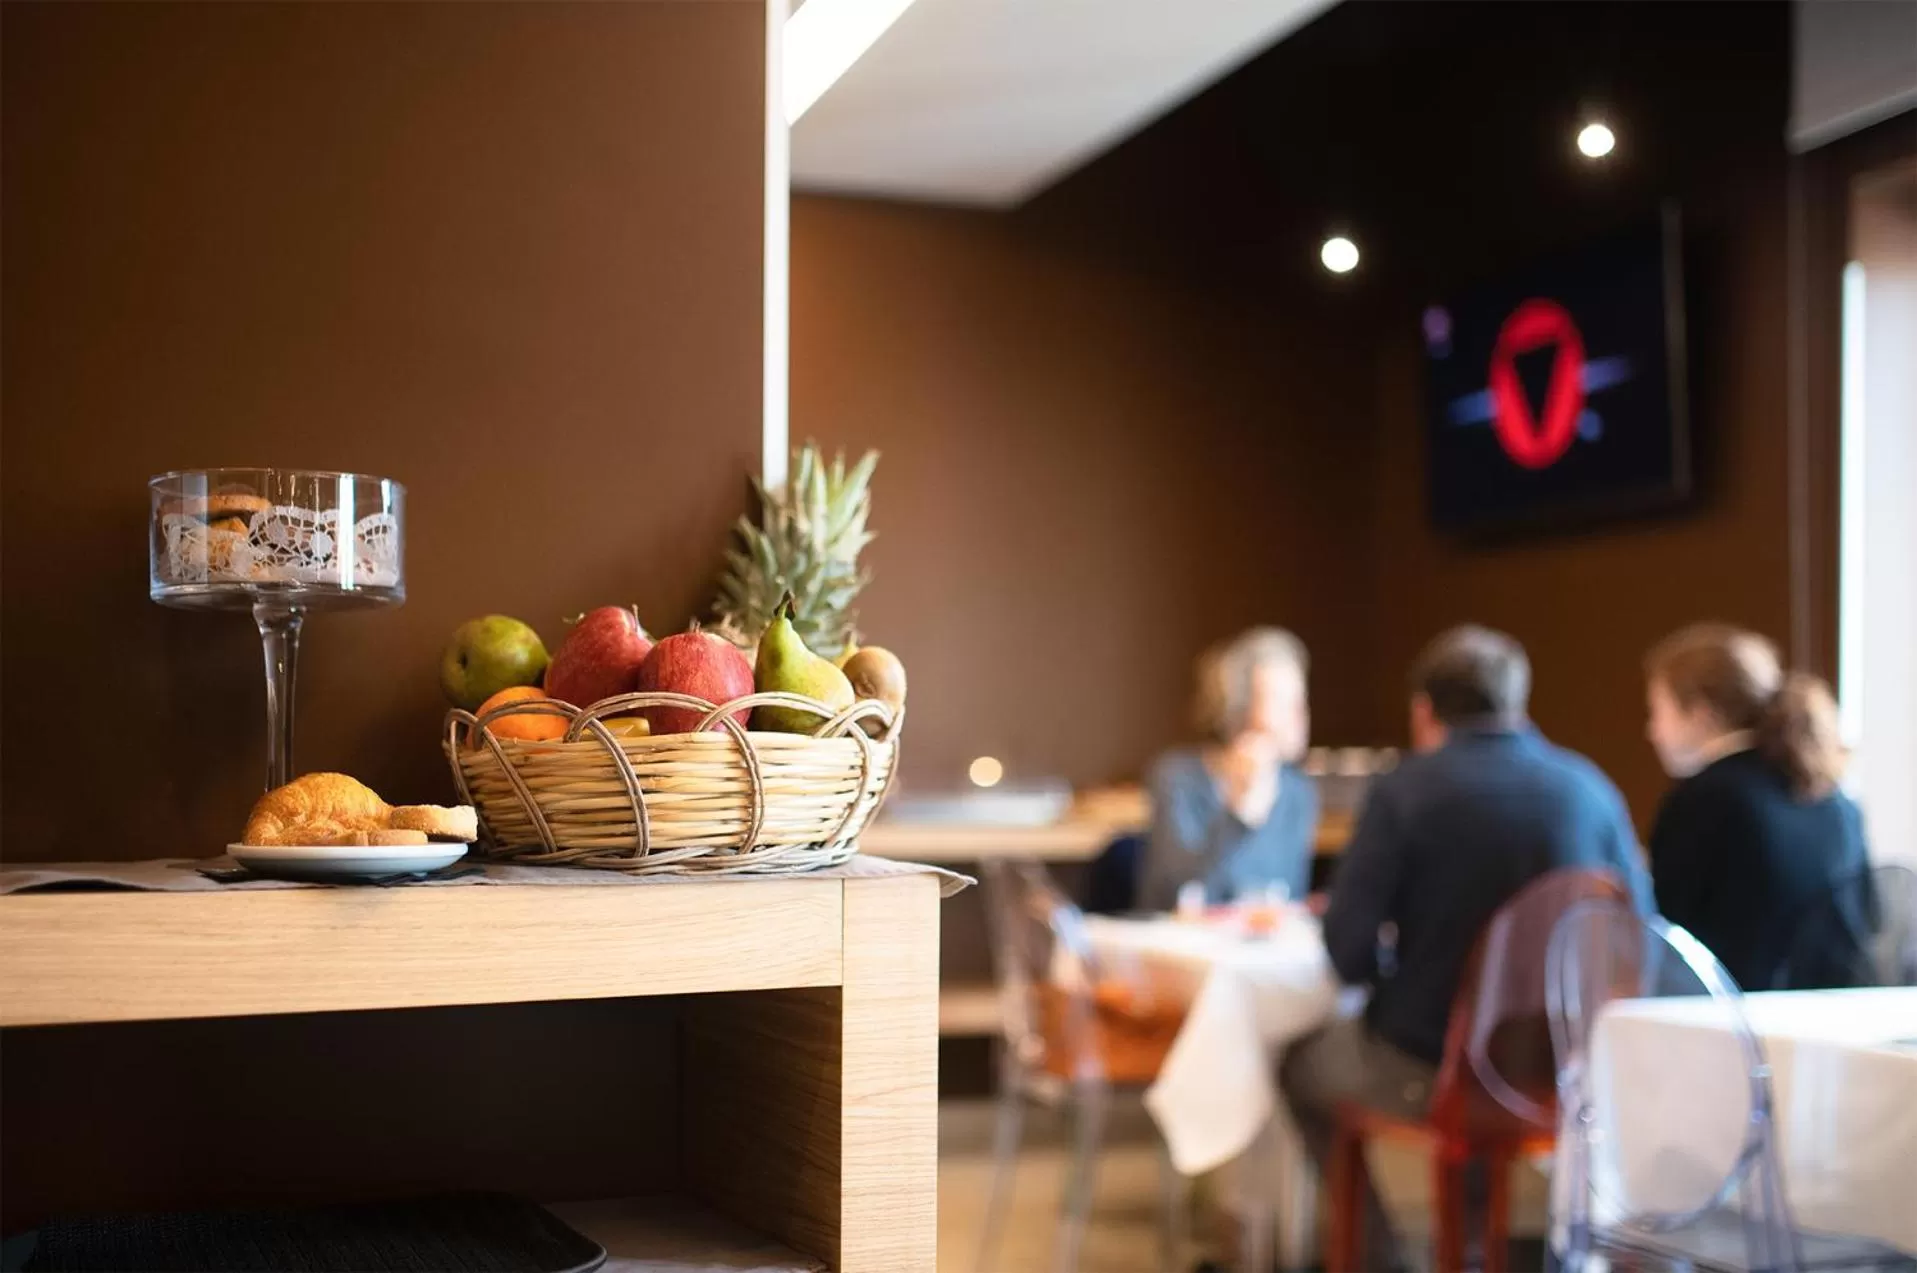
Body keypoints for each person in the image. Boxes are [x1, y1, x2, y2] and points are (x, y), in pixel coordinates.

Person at [1280, 625, 1651, 1270]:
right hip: (1566, 1068)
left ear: (1424, 711)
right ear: (1520, 703)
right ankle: (1480, 1246)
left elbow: (1346, 949)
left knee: (1297, 1065)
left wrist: (1391, 975)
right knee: (1473, 1056)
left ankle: (1384, 1261)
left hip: (1435, 1068)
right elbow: (1636, 934)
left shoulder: (1405, 791)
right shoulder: (1589, 788)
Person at [1643, 623, 1868, 990]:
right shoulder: (1834, 794)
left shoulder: (1704, 798)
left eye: (1658, 711)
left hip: (1735, 1028)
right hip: (1830, 1023)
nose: (1651, 730)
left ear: (1701, 714)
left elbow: (1670, 939)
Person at [1139, 627, 1318, 913]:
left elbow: (1285, 902)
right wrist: (1237, 815)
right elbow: (1182, 896)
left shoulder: (1297, 792)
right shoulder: (1177, 778)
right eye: (1281, 700)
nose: (1298, 714)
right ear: (1237, 706)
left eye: (1300, 699)